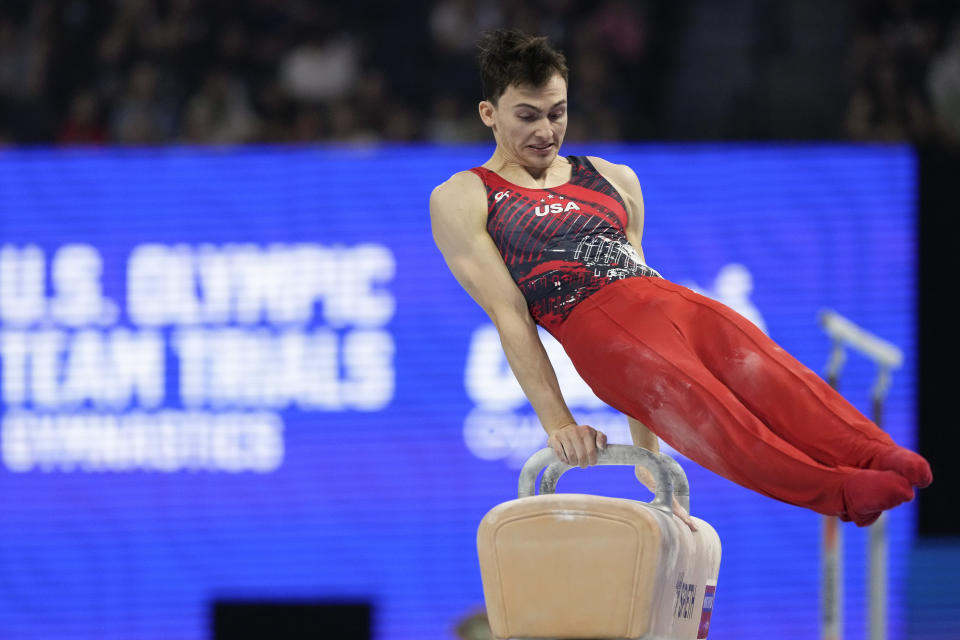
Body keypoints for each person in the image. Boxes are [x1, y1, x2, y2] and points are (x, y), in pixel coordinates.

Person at [429, 29, 932, 528]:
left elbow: (644, 347)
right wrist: (558, 422)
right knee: (716, 415)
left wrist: (653, 469)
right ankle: (840, 491)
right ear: (488, 114)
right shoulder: (466, 196)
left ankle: (877, 453)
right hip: (594, 325)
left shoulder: (613, 177)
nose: (546, 131)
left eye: (557, 113)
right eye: (527, 116)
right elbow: (510, 315)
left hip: (666, 300)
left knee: (774, 373)